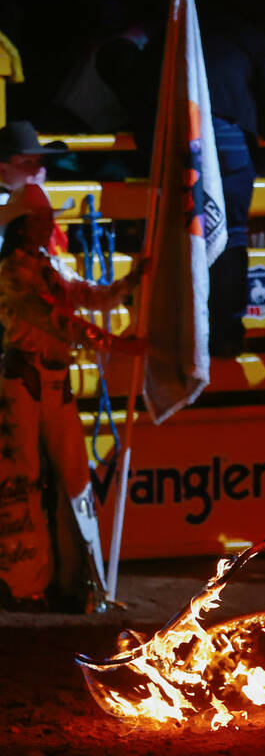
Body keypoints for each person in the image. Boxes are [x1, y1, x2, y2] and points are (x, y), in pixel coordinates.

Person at [0, 185, 145, 611]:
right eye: (43, 219)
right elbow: (59, 320)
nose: (51, 225)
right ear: (26, 225)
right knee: (23, 480)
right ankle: (30, 583)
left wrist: (132, 282)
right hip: (27, 379)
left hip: (38, 379)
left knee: (66, 478)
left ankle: (71, 582)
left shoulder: (45, 267)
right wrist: (115, 343)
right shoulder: (12, 272)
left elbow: (85, 298)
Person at [200, 2, 265, 358]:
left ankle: (190, 330)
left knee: (188, 231)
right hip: (231, 138)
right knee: (231, 233)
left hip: (185, 137)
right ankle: (227, 334)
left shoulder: (184, 26)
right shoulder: (251, 37)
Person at [0, 121, 69, 252]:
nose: (38, 170)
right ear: (2, 169)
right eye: (27, 162)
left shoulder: (39, 194)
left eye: (40, 162)